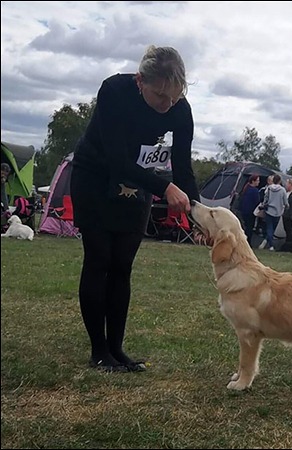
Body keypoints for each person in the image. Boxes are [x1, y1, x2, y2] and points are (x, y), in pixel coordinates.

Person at [70, 45, 200, 373]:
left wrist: (199, 216)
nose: (167, 105)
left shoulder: (180, 110)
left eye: (174, 97)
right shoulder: (113, 91)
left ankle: (117, 349)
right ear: (140, 80)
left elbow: (183, 168)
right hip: (95, 177)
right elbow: (117, 161)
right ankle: (99, 352)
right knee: (99, 259)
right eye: (159, 96)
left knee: (122, 266)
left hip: (137, 183)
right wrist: (165, 188)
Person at [259, 174, 288, 251]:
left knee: (269, 227)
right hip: (278, 211)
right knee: (273, 228)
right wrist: (287, 206)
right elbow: (285, 201)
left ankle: (270, 243)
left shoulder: (269, 188)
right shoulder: (282, 190)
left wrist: (264, 205)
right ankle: (269, 243)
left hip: (269, 210)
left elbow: (266, 198)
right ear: (280, 181)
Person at [238, 174, 260, 246]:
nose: (259, 182)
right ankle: (248, 242)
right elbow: (257, 201)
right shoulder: (255, 191)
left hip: (244, 211)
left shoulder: (246, 189)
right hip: (251, 212)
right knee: (250, 227)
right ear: (253, 181)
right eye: (257, 180)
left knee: (245, 226)